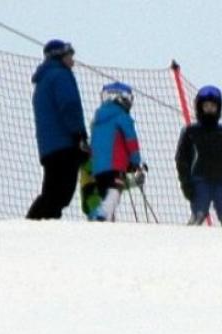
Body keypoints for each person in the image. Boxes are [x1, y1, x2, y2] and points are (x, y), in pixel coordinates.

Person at [27, 39, 89, 220]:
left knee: (52, 190)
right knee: (60, 192)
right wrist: (79, 134)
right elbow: (69, 106)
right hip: (64, 144)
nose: (73, 60)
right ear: (60, 56)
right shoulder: (61, 75)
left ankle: (41, 223)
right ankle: (36, 224)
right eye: (70, 55)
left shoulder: (43, 80)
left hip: (49, 146)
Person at [175, 85, 222, 226]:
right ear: (199, 107)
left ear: (218, 108)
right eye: (206, 106)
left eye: (213, 106)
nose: (209, 110)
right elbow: (182, 159)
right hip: (200, 180)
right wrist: (185, 182)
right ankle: (188, 242)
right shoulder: (191, 131)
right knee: (198, 214)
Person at [89, 82, 145, 221]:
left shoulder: (97, 120)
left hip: (98, 168)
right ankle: (100, 214)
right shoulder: (122, 117)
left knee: (106, 194)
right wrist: (135, 161)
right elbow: (131, 140)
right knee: (115, 189)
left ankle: (107, 221)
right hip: (115, 164)